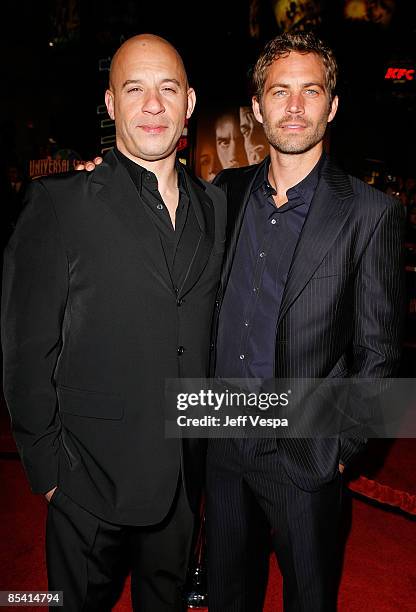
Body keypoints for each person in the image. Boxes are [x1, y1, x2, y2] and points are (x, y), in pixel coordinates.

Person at [1, 34, 226, 612]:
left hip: (182, 480)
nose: (152, 104)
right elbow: (26, 352)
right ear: (110, 104)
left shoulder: (218, 208)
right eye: (134, 89)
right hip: (87, 483)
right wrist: (51, 474)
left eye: (168, 88)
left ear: (190, 102)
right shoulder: (59, 203)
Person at [207, 31, 404, 611]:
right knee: (226, 595)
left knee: (310, 599)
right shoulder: (226, 192)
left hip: (304, 452)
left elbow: (382, 354)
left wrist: (340, 449)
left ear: (332, 105)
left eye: (310, 91)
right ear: (257, 108)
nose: (294, 106)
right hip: (220, 440)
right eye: (279, 91)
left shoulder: (372, 214)